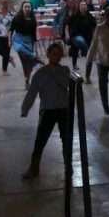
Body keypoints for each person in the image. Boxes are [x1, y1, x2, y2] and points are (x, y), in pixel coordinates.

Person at [20, 42, 73, 180]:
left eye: (58, 54)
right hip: (47, 110)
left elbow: (66, 84)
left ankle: (69, 167)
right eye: (53, 53)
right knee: (40, 140)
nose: (55, 56)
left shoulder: (65, 71)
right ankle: (34, 168)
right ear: (48, 54)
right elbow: (32, 93)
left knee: (66, 140)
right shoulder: (40, 74)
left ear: (61, 56)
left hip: (63, 110)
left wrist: (54, 71)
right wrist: (25, 108)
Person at [11, 1, 41, 89]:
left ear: (31, 8)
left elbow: (34, 35)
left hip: (29, 41)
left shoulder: (33, 20)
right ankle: (35, 58)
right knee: (23, 56)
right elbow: (11, 30)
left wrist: (36, 48)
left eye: (29, 7)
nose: (27, 8)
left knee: (28, 64)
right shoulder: (17, 18)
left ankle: (27, 80)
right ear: (22, 8)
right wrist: (9, 42)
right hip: (18, 40)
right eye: (25, 7)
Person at [64, 0, 96, 71]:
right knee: (79, 43)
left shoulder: (89, 16)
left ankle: (88, 70)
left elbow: (94, 26)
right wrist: (67, 35)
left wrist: (94, 36)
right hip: (75, 36)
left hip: (87, 36)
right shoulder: (74, 15)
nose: (83, 6)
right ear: (79, 7)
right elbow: (67, 25)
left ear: (86, 7)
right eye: (81, 5)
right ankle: (85, 55)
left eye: (84, 5)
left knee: (80, 48)